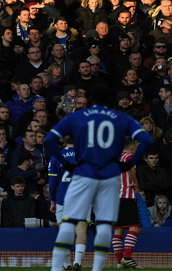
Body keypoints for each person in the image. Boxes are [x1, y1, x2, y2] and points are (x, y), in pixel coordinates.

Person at [44, 84, 153, 271]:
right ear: (110, 99)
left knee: (69, 225)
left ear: (91, 99)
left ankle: (60, 266)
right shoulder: (120, 118)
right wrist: (129, 163)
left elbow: (49, 140)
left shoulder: (77, 116)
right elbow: (147, 141)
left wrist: (66, 162)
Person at [48, 137, 88, 271]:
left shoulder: (56, 157)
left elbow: (52, 183)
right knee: (81, 230)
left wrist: (52, 201)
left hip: (63, 199)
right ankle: (77, 262)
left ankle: (67, 264)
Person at [112, 138, 143, 269]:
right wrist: (135, 182)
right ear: (132, 147)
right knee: (135, 227)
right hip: (126, 196)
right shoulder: (129, 157)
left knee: (119, 230)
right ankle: (127, 257)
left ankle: (120, 262)